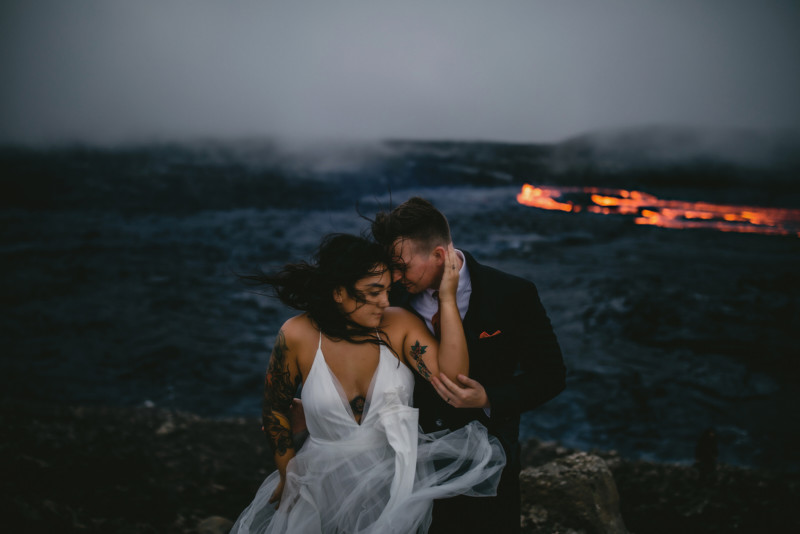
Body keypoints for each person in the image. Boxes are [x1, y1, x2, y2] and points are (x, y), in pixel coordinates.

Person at [231, 234, 505, 534]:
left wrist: (447, 300)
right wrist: (288, 475)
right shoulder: (296, 334)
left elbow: (452, 381)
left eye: (387, 291)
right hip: (321, 487)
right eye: (373, 292)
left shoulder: (399, 324)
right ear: (339, 292)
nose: (385, 301)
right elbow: (275, 411)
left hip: (394, 485)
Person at [371, 197, 566, 533]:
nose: (395, 276)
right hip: (410, 459)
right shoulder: (392, 298)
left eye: (402, 266)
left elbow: (551, 375)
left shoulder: (511, 293)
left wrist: (489, 397)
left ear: (438, 255)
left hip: (488, 459)